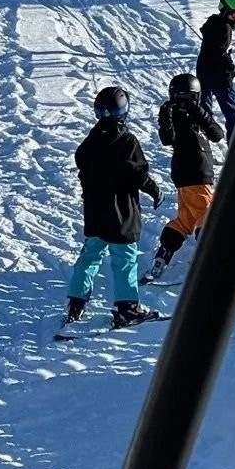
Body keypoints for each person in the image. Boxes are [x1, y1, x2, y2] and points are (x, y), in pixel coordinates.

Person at [64, 86, 164, 330]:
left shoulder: (90, 141)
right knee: (125, 258)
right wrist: (155, 191)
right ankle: (127, 308)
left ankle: (76, 303)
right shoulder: (126, 140)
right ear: (124, 111)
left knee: (90, 256)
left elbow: (81, 162)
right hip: (121, 213)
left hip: (95, 213)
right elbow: (138, 173)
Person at [144, 73, 225, 282]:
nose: (184, 103)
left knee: (185, 220)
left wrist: (198, 111)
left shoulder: (197, 113)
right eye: (180, 98)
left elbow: (217, 135)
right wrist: (167, 114)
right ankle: (206, 260)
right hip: (195, 173)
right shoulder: (171, 113)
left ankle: (162, 257)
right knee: (207, 214)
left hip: (187, 176)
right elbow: (167, 138)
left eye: (189, 98)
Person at [196, 0, 235, 140]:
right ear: (225, 10)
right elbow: (219, 52)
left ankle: (204, 133)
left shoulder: (213, 21)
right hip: (219, 77)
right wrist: (230, 67)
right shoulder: (225, 27)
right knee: (232, 113)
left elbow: (211, 43)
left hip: (203, 70)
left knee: (203, 107)